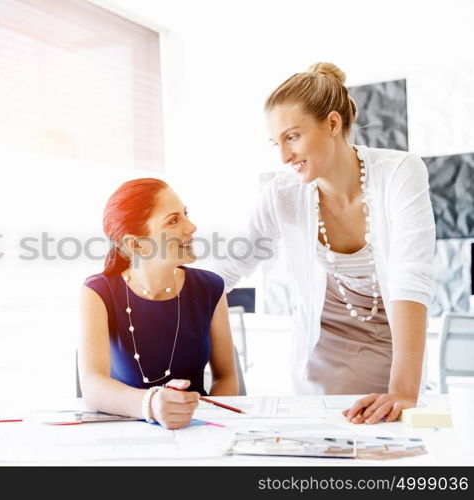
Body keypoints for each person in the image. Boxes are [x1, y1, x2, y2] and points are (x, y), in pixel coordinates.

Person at [214, 62, 435, 424]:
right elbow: (232, 266)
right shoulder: (282, 193)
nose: (284, 157)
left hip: (397, 350)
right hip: (323, 353)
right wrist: (157, 297)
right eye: (277, 142)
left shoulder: (399, 172)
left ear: (332, 124)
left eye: (293, 137)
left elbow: (413, 274)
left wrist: (403, 390)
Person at [79, 178, 239, 429]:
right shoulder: (98, 292)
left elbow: (227, 377)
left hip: (194, 429)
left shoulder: (211, 288)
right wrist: (152, 404)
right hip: (126, 432)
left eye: (186, 214)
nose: (192, 227)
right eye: (174, 220)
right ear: (136, 244)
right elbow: (92, 386)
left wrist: (205, 425)